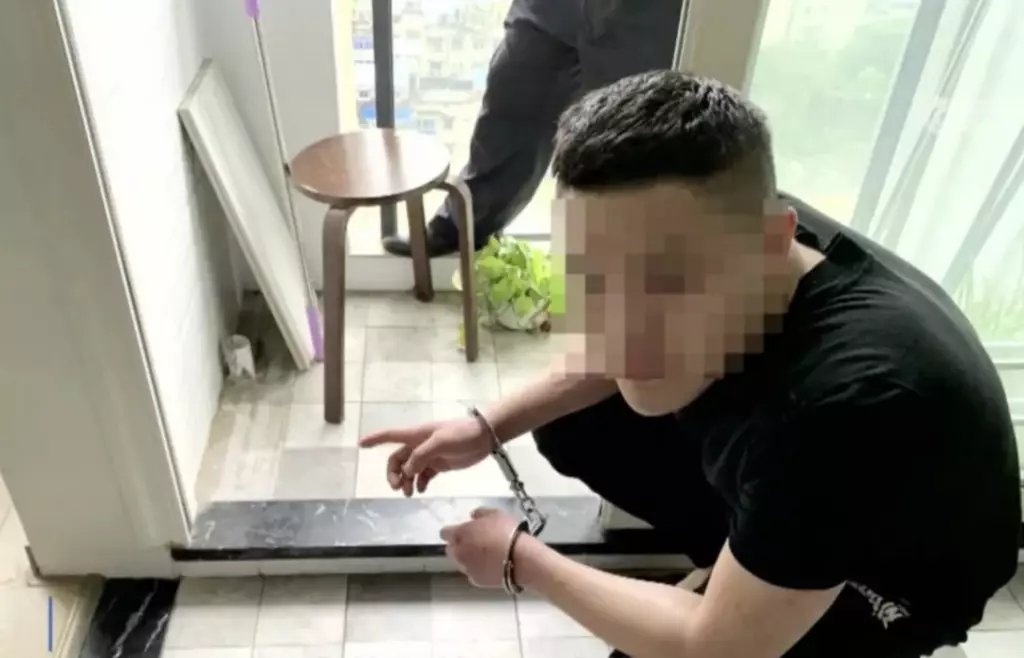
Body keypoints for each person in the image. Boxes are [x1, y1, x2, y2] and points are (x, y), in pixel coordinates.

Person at [360, 70, 1022, 658]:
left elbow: (715, 647)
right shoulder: (724, 210)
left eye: (667, 282)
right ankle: (751, 561)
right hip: (820, 474)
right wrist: (486, 427)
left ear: (774, 242)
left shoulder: (840, 412)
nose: (617, 331)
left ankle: (763, 582)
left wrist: (519, 558)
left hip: (896, 581)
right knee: (570, 424)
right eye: (591, 277)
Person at [383, 0, 684, 258]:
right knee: (512, 90)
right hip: (552, 10)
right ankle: (463, 226)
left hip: (641, 15)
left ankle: (614, 267)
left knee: (630, 134)